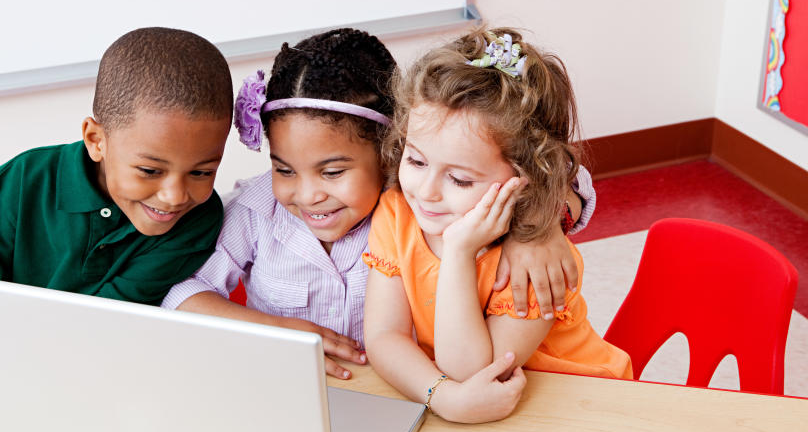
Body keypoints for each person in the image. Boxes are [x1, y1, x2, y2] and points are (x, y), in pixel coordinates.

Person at [164, 28, 596, 379]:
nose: (309, 194)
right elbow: (181, 292)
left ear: (388, 149)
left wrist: (542, 226)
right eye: (284, 169)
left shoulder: (408, 200)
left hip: (403, 390)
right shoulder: (260, 209)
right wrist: (285, 333)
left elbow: (557, 173)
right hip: (302, 386)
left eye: (332, 173)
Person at [0, 27, 233, 432]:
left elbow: (96, 328)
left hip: (92, 395)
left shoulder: (198, 221)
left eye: (203, 171)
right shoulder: (22, 181)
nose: (175, 196)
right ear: (96, 139)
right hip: (1, 363)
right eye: (150, 170)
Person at [363, 27, 632, 424]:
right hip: (492, 415)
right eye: (416, 161)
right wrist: (442, 398)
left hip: (583, 404)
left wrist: (458, 253)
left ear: (525, 177)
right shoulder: (397, 212)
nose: (427, 192)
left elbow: (471, 371)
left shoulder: (537, 263)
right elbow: (384, 337)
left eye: (460, 180)